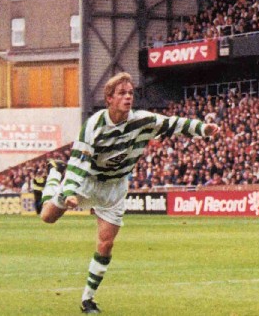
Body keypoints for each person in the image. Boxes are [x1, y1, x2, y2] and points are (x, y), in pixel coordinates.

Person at [40, 72, 219, 314]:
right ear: (109, 98)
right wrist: (70, 190)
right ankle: (54, 174)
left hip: (115, 188)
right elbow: (78, 161)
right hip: (87, 181)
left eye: (130, 93)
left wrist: (203, 129)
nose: (128, 97)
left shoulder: (142, 120)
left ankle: (87, 299)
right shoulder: (93, 126)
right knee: (48, 216)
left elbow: (172, 123)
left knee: (106, 244)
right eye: (122, 93)